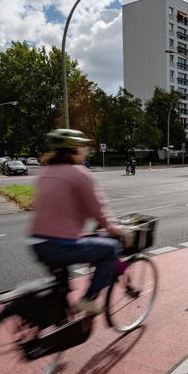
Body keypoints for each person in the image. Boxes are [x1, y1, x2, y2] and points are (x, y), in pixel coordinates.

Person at [28, 129, 123, 316]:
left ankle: (59, 318)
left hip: (36, 242)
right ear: (75, 149)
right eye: (83, 147)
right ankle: (88, 300)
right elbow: (98, 210)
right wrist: (114, 229)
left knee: (62, 287)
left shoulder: (45, 171)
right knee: (110, 249)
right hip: (61, 244)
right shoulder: (80, 173)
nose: (85, 150)